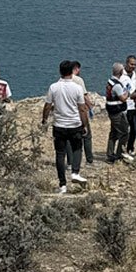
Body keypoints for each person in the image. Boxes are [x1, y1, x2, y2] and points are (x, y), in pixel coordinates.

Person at [42, 60, 91, 194]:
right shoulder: (77, 88)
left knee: (60, 154)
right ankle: (75, 172)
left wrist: (44, 120)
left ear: (60, 72)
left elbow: (47, 106)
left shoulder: (53, 87)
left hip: (59, 125)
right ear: (72, 72)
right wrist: (84, 124)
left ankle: (62, 184)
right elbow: (82, 109)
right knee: (77, 148)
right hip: (74, 124)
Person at [104, 63, 134, 164]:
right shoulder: (117, 85)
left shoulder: (110, 81)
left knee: (113, 133)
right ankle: (119, 155)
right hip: (117, 112)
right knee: (125, 133)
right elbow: (123, 98)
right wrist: (128, 93)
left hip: (112, 110)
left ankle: (110, 154)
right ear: (121, 72)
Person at [71, 60, 94, 165]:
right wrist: (90, 106)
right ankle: (89, 159)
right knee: (87, 136)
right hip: (80, 111)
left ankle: (71, 161)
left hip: (70, 112)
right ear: (76, 69)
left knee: (71, 138)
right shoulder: (78, 80)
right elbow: (84, 95)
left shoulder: (63, 79)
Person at [122, 55, 136, 155]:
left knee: (134, 128)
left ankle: (130, 148)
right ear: (126, 63)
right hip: (123, 105)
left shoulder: (134, 74)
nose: (133, 66)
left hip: (133, 105)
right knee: (123, 129)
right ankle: (121, 149)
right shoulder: (121, 74)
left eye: (134, 65)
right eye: (131, 64)